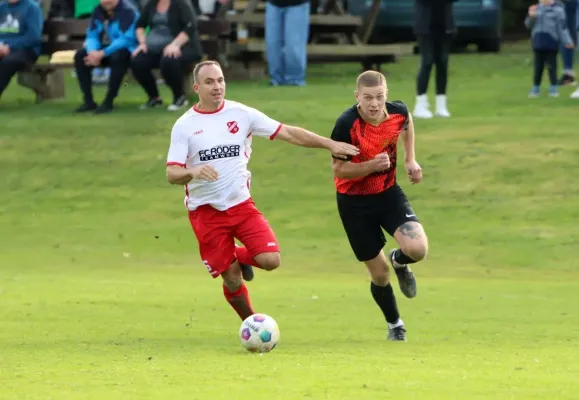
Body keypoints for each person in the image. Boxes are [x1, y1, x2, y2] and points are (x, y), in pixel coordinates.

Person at [165, 60, 359, 322]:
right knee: (231, 279)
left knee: (270, 260)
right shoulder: (185, 126)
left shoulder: (242, 114)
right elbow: (171, 174)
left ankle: (237, 257)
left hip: (241, 205)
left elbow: (288, 133)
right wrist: (193, 172)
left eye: (220, 80)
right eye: (209, 82)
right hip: (205, 212)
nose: (217, 86)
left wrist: (329, 144)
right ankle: (252, 323)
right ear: (197, 87)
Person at [329, 70, 429, 342]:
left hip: (387, 194)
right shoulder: (346, 124)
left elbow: (407, 122)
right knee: (379, 274)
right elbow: (338, 169)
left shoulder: (397, 112)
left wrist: (410, 160)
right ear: (357, 97)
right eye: (368, 98)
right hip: (353, 204)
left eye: (379, 97)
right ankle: (395, 324)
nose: (374, 104)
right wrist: (371, 165)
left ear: (387, 94)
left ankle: (400, 260)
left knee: (417, 249)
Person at [131, 0, 203, 111]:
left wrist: (175, 45)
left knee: (169, 60)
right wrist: (142, 43)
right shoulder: (151, 4)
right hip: (156, 49)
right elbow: (140, 25)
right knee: (137, 61)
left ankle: (180, 98)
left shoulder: (181, 3)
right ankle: (154, 98)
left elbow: (190, 26)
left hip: (184, 46)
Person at [74, 0, 139, 113]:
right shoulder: (98, 10)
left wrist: (102, 53)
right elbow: (92, 34)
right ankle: (88, 101)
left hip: (127, 50)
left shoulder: (129, 11)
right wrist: (92, 52)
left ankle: (109, 101)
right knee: (80, 56)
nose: (106, 1)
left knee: (118, 57)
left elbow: (126, 39)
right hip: (104, 50)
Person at [412, 0, 459, 119]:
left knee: (442, 64)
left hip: (444, 25)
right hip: (425, 26)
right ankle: (420, 104)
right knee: (427, 63)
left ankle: (441, 105)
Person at [526, 0, 574, 98]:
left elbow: (562, 28)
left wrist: (567, 41)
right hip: (538, 42)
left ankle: (553, 87)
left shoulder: (558, 10)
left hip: (551, 42)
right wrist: (531, 16)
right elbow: (528, 25)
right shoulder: (536, 9)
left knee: (552, 66)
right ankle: (536, 87)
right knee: (538, 67)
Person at [0, 0, 43, 100]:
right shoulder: (1, 7)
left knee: (7, 62)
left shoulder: (32, 8)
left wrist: (9, 46)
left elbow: (33, 38)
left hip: (26, 50)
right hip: (2, 48)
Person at [264, 0, 310, 86]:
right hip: (273, 4)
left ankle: (295, 79)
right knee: (273, 45)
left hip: (298, 4)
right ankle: (276, 79)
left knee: (293, 46)